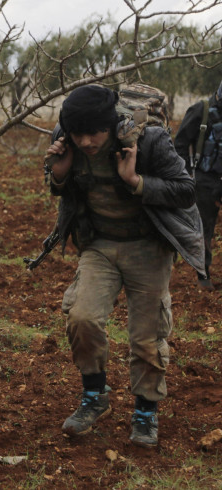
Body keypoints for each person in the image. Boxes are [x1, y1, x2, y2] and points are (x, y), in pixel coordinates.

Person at [43, 85, 204, 448]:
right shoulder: (65, 138)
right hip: (99, 245)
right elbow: (55, 184)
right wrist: (60, 174)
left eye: (93, 133)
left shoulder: (151, 140)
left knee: (146, 338)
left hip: (148, 246)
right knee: (81, 317)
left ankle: (146, 411)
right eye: (77, 133)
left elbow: (185, 190)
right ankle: (94, 395)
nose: (85, 141)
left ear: (111, 125)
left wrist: (135, 181)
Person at [173, 81, 222, 290]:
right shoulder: (201, 111)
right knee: (204, 229)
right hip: (205, 180)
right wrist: (188, 176)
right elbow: (180, 145)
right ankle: (204, 276)